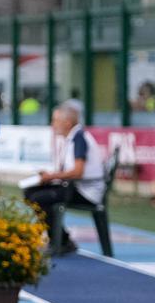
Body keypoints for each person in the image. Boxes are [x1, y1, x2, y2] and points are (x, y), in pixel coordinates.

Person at [22, 101, 105, 255]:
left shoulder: (79, 138)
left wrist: (52, 176)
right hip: (75, 187)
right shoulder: (73, 137)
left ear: (67, 123)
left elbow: (78, 172)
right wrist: (49, 176)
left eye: (55, 121)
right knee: (30, 192)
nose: (52, 124)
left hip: (86, 192)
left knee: (40, 197)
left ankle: (60, 241)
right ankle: (62, 239)